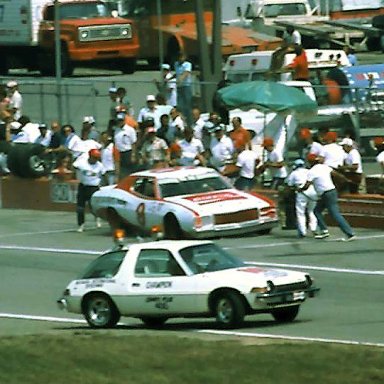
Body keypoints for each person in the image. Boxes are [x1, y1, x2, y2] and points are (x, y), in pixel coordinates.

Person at [299, 153, 355, 241]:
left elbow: (306, 185)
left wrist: (300, 189)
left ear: (310, 162)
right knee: (317, 211)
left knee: (334, 213)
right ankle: (324, 231)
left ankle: (349, 233)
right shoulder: (324, 167)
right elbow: (337, 175)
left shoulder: (312, 171)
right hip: (332, 191)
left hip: (326, 193)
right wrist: (342, 183)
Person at [73, 148, 106, 233]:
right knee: (80, 207)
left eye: (97, 158)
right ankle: (81, 225)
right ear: (90, 156)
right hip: (83, 186)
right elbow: (74, 166)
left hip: (94, 187)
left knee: (93, 207)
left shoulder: (100, 166)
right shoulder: (82, 162)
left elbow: (103, 175)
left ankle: (97, 218)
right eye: (94, 158)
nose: (95, 160)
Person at [286, 158, 318, 238]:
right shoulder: (309, 171)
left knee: (300, 212)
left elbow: (289, 185)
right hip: (312, 190)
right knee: (312, 210)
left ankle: (302, 231)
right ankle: (314, 228)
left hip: (301, 191)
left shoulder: (294, 173)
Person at [114, 112, 137, 180]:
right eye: (118, 120)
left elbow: (133, 143)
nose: (120, 122)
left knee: (129, 170)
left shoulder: (130, 130)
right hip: (119, 153)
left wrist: (133, 155)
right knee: (121, 171)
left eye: (121, 120)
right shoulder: (116, 130)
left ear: (124, 120)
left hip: (128, 152)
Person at [175, 52, 193, 126]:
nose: (180, 58)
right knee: (180, 105)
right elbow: (177, 74)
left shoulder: (187, 64)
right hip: (179, 87)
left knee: (187, 105)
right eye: (179, 57)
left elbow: (186, 73)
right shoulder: (176, 64)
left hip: (186, 86)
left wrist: (180, 79)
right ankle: (182, 121)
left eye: (182, 57)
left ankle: (189, 122)